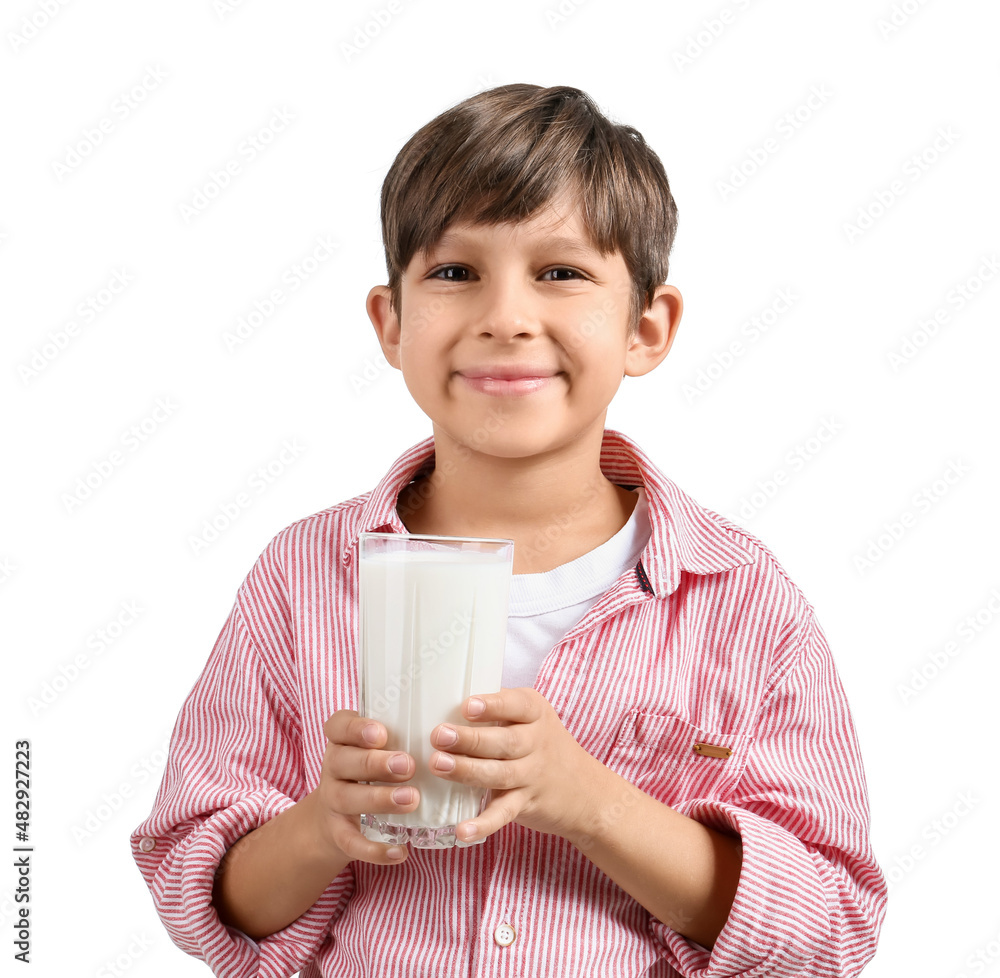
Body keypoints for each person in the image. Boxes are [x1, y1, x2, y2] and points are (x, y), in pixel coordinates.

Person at [131, 83, 887, 977]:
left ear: (648, 327)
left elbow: (831, 928)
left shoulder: (740, 600)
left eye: (561, 272)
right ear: (391, 322)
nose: (505, 317)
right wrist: (318, 827)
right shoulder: (305, 578)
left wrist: (594, 804)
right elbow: (200, 893)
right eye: (454, 273)